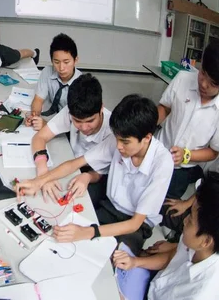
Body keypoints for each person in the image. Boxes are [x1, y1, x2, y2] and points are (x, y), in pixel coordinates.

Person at [18, 95, 173, 255]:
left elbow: (134, 224)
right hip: (110, 207)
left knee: (112, 260)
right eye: (117, 139)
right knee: (65, 237)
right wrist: (39, 180)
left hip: (136, 225)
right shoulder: (120, 139)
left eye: (125, 142)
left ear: (147, 138)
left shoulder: (162, 163)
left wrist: (86, 232)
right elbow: (76, 163)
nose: (118, 146)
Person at [113, 172, 219, 300]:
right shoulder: (198, 240)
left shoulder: (202, 292)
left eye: (191, 220)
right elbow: (173, 257)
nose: (185, 221)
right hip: (155, 285)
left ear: (206, 241)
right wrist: (135, 262)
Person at [157, 38, 219, 199]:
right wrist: (147, 124)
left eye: (213, 83)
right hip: (157, 149)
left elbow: (214, 152)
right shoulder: (182, 79)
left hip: (181, 170)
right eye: (203, 72)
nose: (203, 84)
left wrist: (186, 155)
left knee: (158, 206)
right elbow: (165, 108)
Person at [28, 74, 112, 202]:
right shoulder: (71, 110)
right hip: (73, 162)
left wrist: (88, 176)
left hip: (96, 174)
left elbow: (104, 171)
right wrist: (42, 170)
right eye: (77, 121)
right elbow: (39, 137)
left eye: (90, 121)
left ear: (101, 108)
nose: (84, 127)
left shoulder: (112, 131)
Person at [26, 33, 81, 130]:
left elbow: (77, 122)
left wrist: (47, 126)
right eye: (56, 62)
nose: (61, 68)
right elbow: (38, 100)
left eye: (66, 62)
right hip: (54, 117)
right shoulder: (47, 71)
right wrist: (35, 116)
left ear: (75, 60)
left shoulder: (82, 84)